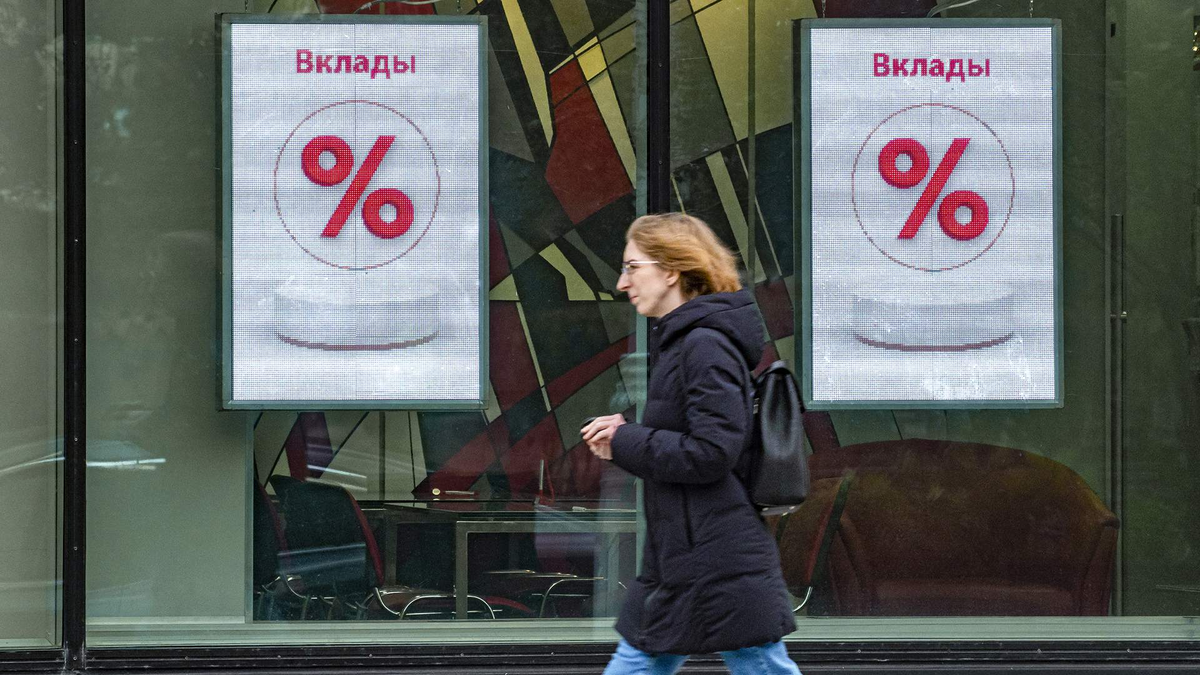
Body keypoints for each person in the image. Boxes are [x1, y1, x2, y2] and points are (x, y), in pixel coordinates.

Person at [581, 213, 801, 675]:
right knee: (644, 659)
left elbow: (712, 452)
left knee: (757, 661)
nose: (622, 283)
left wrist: (626, 439)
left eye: (632, 267)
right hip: (687, 555)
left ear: (671, 271)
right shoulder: (687, 342)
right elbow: (692, 434)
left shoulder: (704, 344)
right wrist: (626, 433)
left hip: (714, 558)